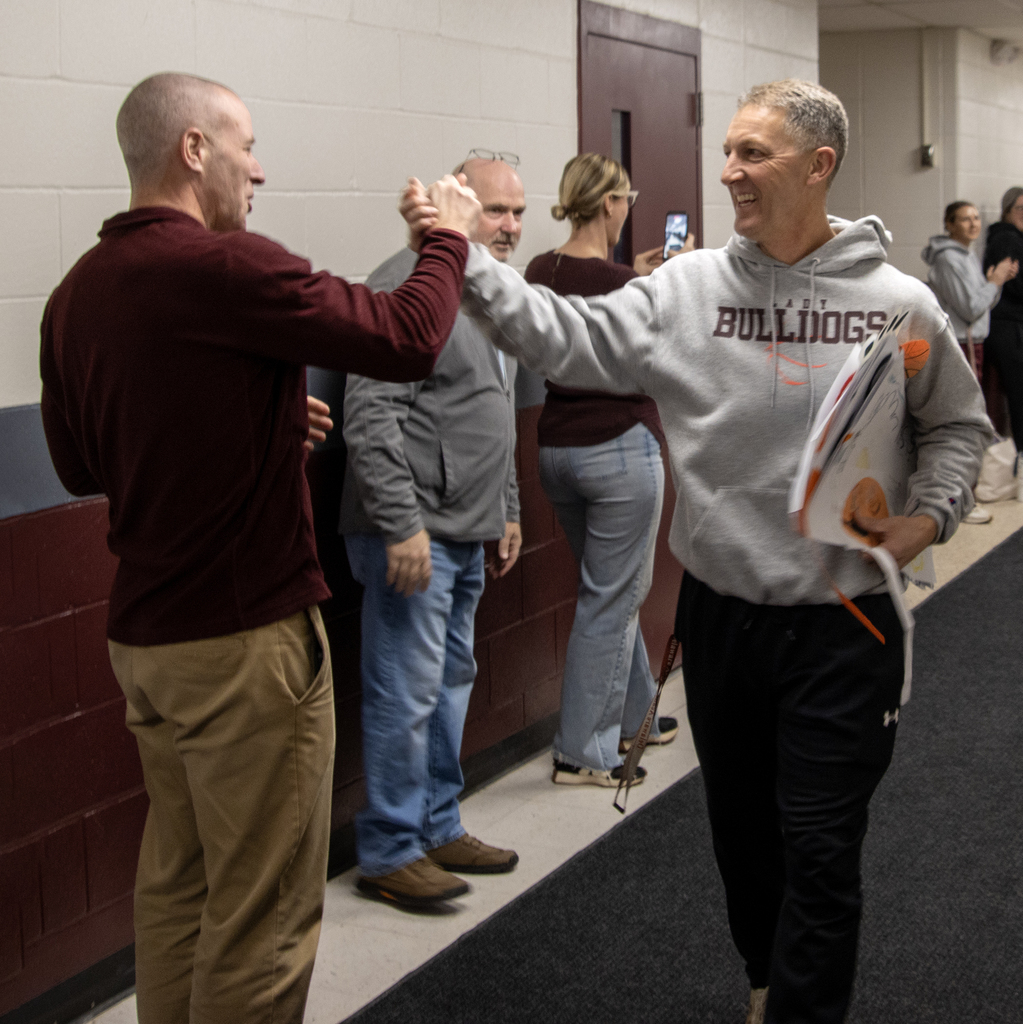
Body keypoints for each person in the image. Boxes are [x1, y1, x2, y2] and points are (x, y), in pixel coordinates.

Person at [435, 79, 992, 1024]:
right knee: (744, 840)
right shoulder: (685, 293)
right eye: (725, 149)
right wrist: (461, 254)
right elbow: (559, 339)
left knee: (820, 848)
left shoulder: (897, 304)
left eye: (752, 154)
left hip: (845, 624)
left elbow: (957, 426)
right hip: (723, 620)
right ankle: (764, 982)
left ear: (819, 167)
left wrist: (928, 517)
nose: (726, 170)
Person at [39, 72, 480, 1024]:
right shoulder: (226, 268)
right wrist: (446, 240)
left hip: (149, 648)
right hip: (245, 649)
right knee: (262, 920)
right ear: (194, 150)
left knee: (182, 890)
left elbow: (83, 466)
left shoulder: (74, 295)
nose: (260, 170)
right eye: (247, 146)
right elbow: (406, 336)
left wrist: (266, 425)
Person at [339, 154, 524, 908]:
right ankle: (388, 849)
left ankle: (437, 825)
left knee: (448, 683)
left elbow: (492, 409)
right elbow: (370, 416)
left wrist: (506, 505)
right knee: (404, 692)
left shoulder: (489, 289)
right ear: (453, 205)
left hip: (464, 528)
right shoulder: (406, 284)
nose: (510, 225)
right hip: (410, 537)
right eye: (494, 210)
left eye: (518, 210)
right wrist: (400, 525)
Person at [523, 152, 682, 787]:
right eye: (628, 198)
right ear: (612, 204)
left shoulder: (541, 269)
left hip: (556, 448)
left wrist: (634, 277)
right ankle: (581, 751)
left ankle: (635, 712)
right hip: (618, 447)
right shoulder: (627, 286)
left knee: (609, 588)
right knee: (612, 597)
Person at [922, 200, 1018, 522]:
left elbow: (980, 303)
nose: (973, 224)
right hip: (961, 346)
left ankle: (966, 493)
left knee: (975, 423)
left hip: (974, 344)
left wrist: (992, 283)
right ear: (948, 224)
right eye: (964, 219)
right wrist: (996, 282)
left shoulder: (965, 255)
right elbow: (971, 307)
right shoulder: (949, 259)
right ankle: (957, 499)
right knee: (961, 425)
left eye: (976, 217)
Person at [984, 186, 1023, 495]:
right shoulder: (1007, 238)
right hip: (1005, 327)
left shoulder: (1009, 238)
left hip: (1007, 326)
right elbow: (1006, 284)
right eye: (1020, 208)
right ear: (1007, 210)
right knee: (1018, 395)